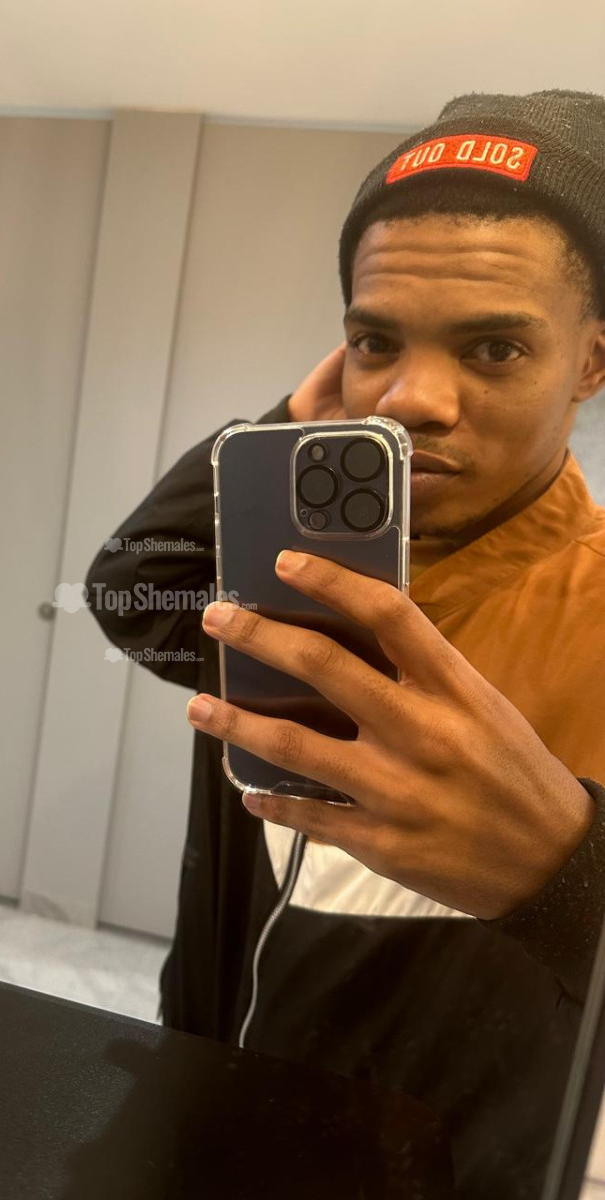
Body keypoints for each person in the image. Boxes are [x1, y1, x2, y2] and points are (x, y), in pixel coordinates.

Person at [86, 89, 605, 1198]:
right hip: (208, 1101)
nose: (411, 399)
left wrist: (570, 874)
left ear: (592, 362)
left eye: (496, 346)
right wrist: (283, 428)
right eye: (376, 342)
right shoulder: (290, 572)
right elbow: (128, 592)